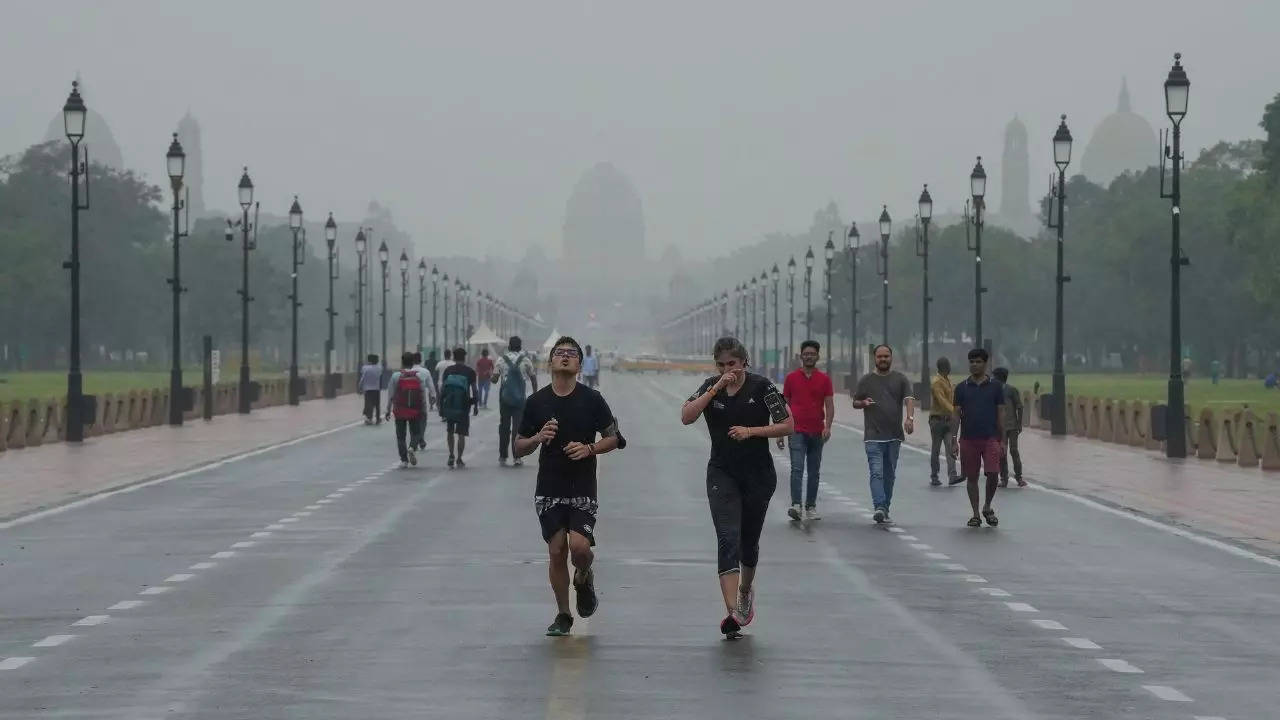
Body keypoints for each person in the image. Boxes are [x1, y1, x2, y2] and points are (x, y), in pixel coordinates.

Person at [681, 337, 793, 639]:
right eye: (721, 365)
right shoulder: (710, 386)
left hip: (757, 474)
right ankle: (732, 612)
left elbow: (787, 424)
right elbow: (686, 416)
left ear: (744, 361)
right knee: (727, 537)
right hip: (722, 472)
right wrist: (716, 387)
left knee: (748, 541)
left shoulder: (762, 387)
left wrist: (751, 431)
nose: (728, 369)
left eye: (732, 364)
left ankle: (745, 591)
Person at [515, 336, 625, 637]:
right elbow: (518, 447)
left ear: (580, 364)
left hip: (582, 485)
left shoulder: (592, 399)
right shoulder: (536, 402)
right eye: (559, 353)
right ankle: (564, 613)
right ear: (550, 362)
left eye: (571, 354)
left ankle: (585, 574)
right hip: (549, 486)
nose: (565, 357)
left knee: (579, 548)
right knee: (556, 550)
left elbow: (614, 438)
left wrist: (590, 449)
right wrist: (538, 437)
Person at [851, 345, 915, 524]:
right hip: (873, 435)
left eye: (886, 356)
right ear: (875, 359)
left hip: (894, 436)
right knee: (876, 473)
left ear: (891, 358)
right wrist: (863, 402)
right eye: (880, 357)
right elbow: (854, 402)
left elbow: (909, 399)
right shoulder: (866, 380)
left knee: (889, 475)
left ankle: (885, 508)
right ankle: (879, 506)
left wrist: (910, 418)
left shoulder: (900, 379)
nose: (883, 359)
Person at [953, 348, 1006, 527]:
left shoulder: (995, 387)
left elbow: (1001, 414)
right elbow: (956, 414)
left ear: (986, 364)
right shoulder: (961, 388)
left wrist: (1003, 440)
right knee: (972, 477)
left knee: (993, 473)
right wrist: (954, 439)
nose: (974, 365)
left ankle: (987, 506)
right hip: (968, 438)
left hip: (991, 437)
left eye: (978, 362)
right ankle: (975, 513)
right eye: (972, 362)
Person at [782, 340, 833, 521]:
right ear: (801, 356)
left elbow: (829, 404)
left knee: (814, 471)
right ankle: (796, 504)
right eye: (806, 354)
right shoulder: (791, 378)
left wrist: (827, 426)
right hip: (796, 430)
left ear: (817, 357)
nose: (809, 357)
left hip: (817, 431)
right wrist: (780, 430)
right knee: (797, 468)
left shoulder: (825, 379)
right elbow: (784, 405)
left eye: (812, 354)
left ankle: (811, 506)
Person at [494, 336, 538, 467]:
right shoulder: (525, 360)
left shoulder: (501, 360)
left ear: (509, 346)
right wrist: (535, 395)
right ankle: (517, 457)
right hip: (520, 400)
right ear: (520, 347)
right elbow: (533, 378)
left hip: (505, 400)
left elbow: (494, 379)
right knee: (518, 428)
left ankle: (502, 456)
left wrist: (495, 377)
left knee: (504, 427)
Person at [385, 351, 435, 468]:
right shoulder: (417, 376)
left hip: (400, 410)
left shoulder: (396, 376)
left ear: (402, 362)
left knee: (401, 435)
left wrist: (388, 410)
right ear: (412, 363)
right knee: (416, 433)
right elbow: (422, 393)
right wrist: (424, 407)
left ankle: (404, 460)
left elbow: (391, 395)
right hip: (414, 410)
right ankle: (412, 447)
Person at [438, 347, 478, 468]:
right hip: (464, 405)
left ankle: (451, 455)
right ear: (464, 357)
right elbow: (474, 389)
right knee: (461, 433)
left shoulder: (448, 370)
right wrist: (475, 405)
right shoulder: (470, 371)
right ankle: (459, 458)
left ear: (453, 358)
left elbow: (443, 389)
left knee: (450, 431)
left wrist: (440, 405)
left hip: (449, 405)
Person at [929, 357, 961, 487]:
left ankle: (952, 475)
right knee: (936, 449)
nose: (949, 367)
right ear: (943, 367)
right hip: (937, 420)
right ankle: (934, 475)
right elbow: (941, 400)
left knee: (950, 447)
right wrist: (954, 410)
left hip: (948, 420)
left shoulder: (948, 381)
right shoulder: (936, 382)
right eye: (948, 365)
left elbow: (952, 398)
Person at [992, 367, 1025, 488]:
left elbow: (1019, 407)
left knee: (1014, 450)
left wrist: (1019, 423)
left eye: (994, 377)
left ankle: (1019, 477)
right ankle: (1004, 478)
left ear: (999, 378)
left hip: (1012, 426)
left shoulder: (1011, 390)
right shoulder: (993, 391)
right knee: (1002, 453)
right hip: (1000, 427)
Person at [409, 351, 432, 452]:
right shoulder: (425, 371)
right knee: (423, 420)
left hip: (409, 399)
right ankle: (421, 438)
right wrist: (434, 396)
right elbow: (431, 386)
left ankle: (414, 440)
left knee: (412, 420)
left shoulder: (407, 371)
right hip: (421, 399)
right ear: (421, 360)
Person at [358, 354, 383, 425]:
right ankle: (378, 418)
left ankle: (369, 418)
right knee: (377, 404)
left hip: (367, 389)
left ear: (369, 360)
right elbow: (380, 378)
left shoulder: (365, 368)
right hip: (376, 389)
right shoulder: (380, 368)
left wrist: (359, 387)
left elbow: (362, 378)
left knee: (369, 403)